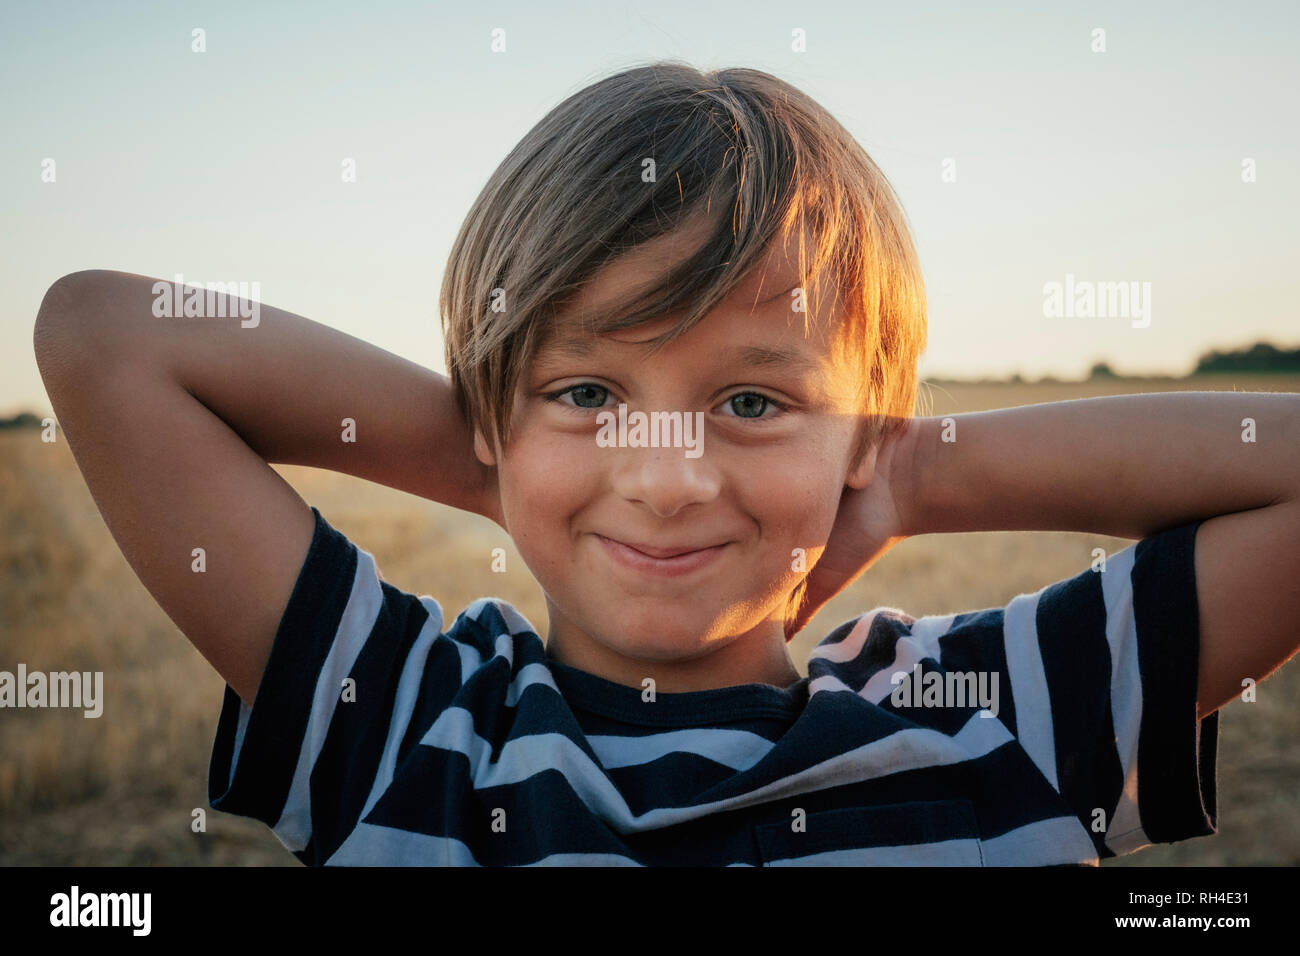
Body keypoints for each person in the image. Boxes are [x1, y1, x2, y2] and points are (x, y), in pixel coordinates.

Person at [33, 61, 1300, 865]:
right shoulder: (410, 720)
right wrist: (508, 450)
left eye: (751, 398)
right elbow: (107, 336)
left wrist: (905, 473)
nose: (667, 475)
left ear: (859, 429)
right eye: (591, 390)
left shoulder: (985, 717)